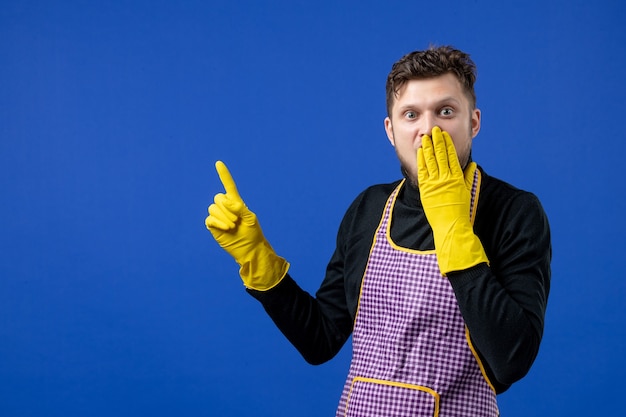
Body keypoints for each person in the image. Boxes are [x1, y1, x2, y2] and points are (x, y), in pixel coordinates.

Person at [205, 45, 551, 417]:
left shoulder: (513, 211)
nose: (429, 129)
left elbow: (512, 360)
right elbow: (320, 340)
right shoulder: (369, 208)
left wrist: (452, 226)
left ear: (474, 122)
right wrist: (258, 259)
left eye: (446, 111)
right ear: (390, 130)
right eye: (411, 114)